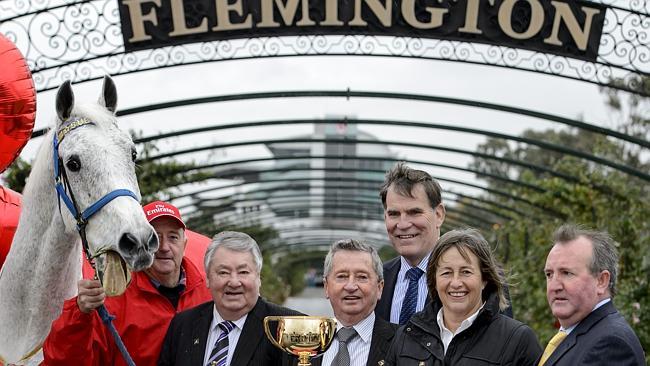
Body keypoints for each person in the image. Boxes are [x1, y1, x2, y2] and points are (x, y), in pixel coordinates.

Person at [43, 201, 212, 366]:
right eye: (154, 238)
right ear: (139, 244)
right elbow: (63, 360)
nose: (164, 247)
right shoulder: (111, 300)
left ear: (185, 244)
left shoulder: (210, 292)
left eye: (173, 237)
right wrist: (79, 312)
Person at [385, 228, 541, 365]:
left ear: (484, 279)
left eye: (466, 272)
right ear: (434, 280)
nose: (456, 283)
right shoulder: (407, 336)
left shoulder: (517, 340)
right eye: (446, 273)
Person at [158, 231, 301, 366]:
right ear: (208, 278)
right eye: (223, 272)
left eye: (243, 272)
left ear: (258, 277)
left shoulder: (289, 327)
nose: (233, 282)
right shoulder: (183, 324)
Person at [540, 224, 645, 366]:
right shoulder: (577, 333)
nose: (554, 286)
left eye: (567, 273)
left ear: (601, 281)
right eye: (549, 274)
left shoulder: (611, 344)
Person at [304, 239, 397, 366]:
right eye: (342, 276)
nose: (351, 286)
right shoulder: (304, 341)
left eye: (362, 277)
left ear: (379, 288)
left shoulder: (402, 342)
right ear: (326, 287)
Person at [376, 162, 446, 324]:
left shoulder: (475, 280)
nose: (403, 224)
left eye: (414, 212)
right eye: (394, 214)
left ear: (439, 215)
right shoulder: (377, 280)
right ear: (385, 218)